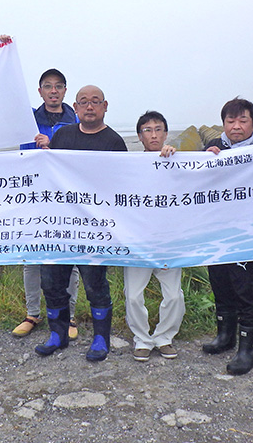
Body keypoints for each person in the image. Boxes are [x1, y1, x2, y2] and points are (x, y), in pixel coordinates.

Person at [35, 85, 127, 361]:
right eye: (83, 102)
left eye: (95, 102)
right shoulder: (63, 135)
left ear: (105, 106)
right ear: (75, 108)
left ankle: (101, 337)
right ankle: (58, 334)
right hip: (59, 225)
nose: (89, 107)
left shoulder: (114, 142)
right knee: (51, 282)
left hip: (95, 229)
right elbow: (50, 172)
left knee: (95, 285)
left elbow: (122, 185)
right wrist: (44, 152)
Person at [12, 67, 80, 339]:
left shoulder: (77, 120)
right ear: (39, 91)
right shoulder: (26, 118)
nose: (54, 91)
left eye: (59, 86)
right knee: (31, 258)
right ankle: (32, 313)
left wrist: (55, 145)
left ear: (65, 91)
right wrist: (2, 49)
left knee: (71, 257)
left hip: (67, 196)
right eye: (48, 86)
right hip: (34, 195)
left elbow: (82, 157)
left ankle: (70, 316)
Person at [202, 98, 253, 375]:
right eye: (230, 121)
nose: (236, 127)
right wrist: (205, 156)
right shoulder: (214, 148)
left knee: (245, 289)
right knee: (220, 283)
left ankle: (248, 349)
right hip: (216, 230)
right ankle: (225, 336)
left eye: (243, 121)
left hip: (249, 233)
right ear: (223, 123)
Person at [123, 111, 185, 362]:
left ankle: (164, 337)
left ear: (166, 133)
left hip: (169, 240)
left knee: (173, 294)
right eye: (148, 130)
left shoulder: (176, 160)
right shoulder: (129, 166)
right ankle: (142, 339)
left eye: (159, 129)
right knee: (133, 294)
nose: (154, 134)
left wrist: (176, 157)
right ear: (139, 136)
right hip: (138, 241)